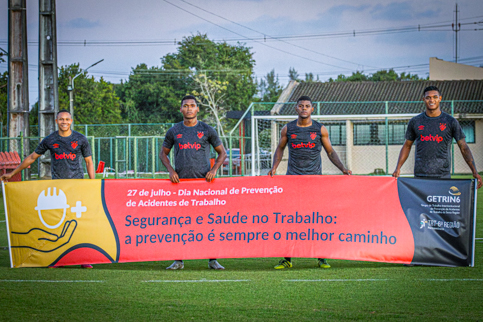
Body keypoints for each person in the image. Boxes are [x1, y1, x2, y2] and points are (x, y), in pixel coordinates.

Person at [1, 109, 95, 268]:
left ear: (71, 121)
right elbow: (31, 158)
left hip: (78, 186)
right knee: (59, 223)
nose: (64, 122)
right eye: (61, 119)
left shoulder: (81, 139)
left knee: (78, 223)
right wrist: (12, 174)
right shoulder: (50, 140)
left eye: (67, 119)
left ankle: (83, 259)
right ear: (56, 121)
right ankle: (59, 258)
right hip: (58, 188)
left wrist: (92, 184)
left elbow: (89, 162)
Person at [268, 95, 352, 269]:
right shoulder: (288, 129)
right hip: (293, 181)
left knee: (316, 219)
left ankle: (321, 257)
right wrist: (275, 166)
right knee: (290, 220)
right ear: (296, 108)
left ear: (312, 109)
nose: (304, 108)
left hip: (315, 182)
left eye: (307, 106)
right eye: (301, 106)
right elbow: (280, 149)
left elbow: (330, 152)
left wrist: (342, 168)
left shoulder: (320, 129)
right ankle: (287, 258)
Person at [160, 95, 227, 270]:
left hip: (204, 187)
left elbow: (222, 153)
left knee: (208, 223)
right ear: (181, 109)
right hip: (181, 186)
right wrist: (171, 171)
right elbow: (163, 154)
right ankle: (178, 260)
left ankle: (212, 260)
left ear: (197, 109)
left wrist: (213, 171)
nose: (189, 109)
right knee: (180, 223)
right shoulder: (174, 131)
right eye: (186, 106)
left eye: (192, 106)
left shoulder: (207, 130)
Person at [392, 86, 482, 189]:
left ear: (440, 98)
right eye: (428, 97)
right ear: (423, 99)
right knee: (421, 205)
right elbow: (407, 146)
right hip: (420, 176)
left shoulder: (450, 122)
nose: (431, 100)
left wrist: (474, 171)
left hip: (442, 176)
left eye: (435, 97)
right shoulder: (415, 121)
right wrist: (398, 168)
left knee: (440, 205)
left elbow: (463, 147)